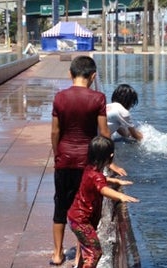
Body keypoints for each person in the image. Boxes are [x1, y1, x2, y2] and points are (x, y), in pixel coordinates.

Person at [50, 55, 112, 266]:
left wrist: (57, 154)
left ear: (70, 74)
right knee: (84, 209)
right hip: (87, 161)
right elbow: (103, 132)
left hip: (64, 159)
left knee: (60, 205)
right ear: (93, 76)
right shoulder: (98, 98)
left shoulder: (59, 97)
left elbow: (55, 131)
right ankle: (79, 257)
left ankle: (57, 254)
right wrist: (111, 160)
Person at [67, 136, 139, 268]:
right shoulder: (97, 175)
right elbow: (103, 189)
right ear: (111, 156)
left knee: (88, 251)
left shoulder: (90, 169)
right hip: (81, 220)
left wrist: (115, 181)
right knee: (95, 252)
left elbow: (99, 181)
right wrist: (120, 196)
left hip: (77, 217)